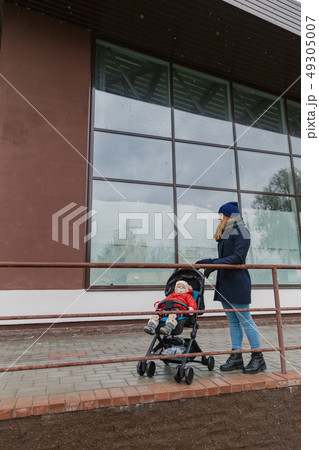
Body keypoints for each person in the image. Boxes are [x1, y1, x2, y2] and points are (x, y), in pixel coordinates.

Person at [196, 201, 266, 374]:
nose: (219, 217)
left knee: (245, 320)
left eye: (221, 214)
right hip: (225, 281)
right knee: (233, 321)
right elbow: (226, 257)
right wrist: (207, 262)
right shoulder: (227, 232)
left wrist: (213, 264)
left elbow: (238, 258)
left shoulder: (242, 231)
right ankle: (236, 356)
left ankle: (258, 357)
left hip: (237, 282)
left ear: (229, 215)